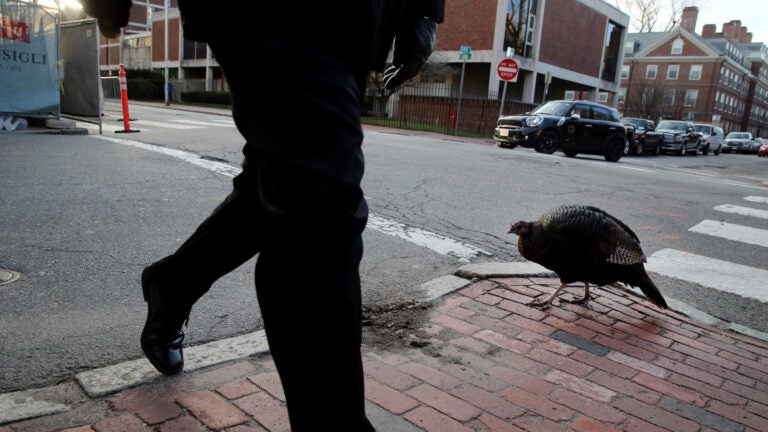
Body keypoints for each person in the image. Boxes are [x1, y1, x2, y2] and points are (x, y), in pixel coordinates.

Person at [82, 1, 444, 430]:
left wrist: (423, 10)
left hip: (360, 18)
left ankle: (174, 284)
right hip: (265, 11)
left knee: (276, 183)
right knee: (320, 206)